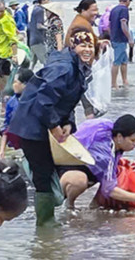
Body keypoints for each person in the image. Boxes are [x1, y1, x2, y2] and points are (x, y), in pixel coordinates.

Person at [6, 30, 94, 220]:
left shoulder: (78, 67)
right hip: (31, 124)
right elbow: (43, 101)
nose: (87, 50)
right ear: (73, 47)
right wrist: (55, 126)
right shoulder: (63, 68)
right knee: (43, 178)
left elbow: (64, 101)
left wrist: (68, 122)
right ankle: (45, 227)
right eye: (82, 45)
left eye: (90, 46)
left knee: (46, 173)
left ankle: (47, 222)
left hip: (42, 123)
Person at [61, 114, 135, 211]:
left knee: (119, 172)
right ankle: (69, 206)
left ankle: (94, 207)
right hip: (67, 169)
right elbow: (109, 190)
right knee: (79, 181)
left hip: (86, 165)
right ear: (120, 137)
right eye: (132, 140)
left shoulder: (108, 130)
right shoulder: (104, 153)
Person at [0, 0, 21, 100]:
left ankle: (9, 99)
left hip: (5, 54)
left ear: (5, 9)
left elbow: (13, 39)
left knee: (6, 78)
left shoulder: (7, 20)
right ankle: (3, 99)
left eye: (2, 11)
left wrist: (14, 55)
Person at [108, 0, 133, 89]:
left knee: (124, 61)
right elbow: (123, 25)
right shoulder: (124, 10)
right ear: (127, 1)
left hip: (115, 38)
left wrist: (111, 36)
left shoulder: (113, 9)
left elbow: (109, 25)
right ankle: (114, 83)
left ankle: (125, 81)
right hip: (120, 39)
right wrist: (130, 38)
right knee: (117, 62)